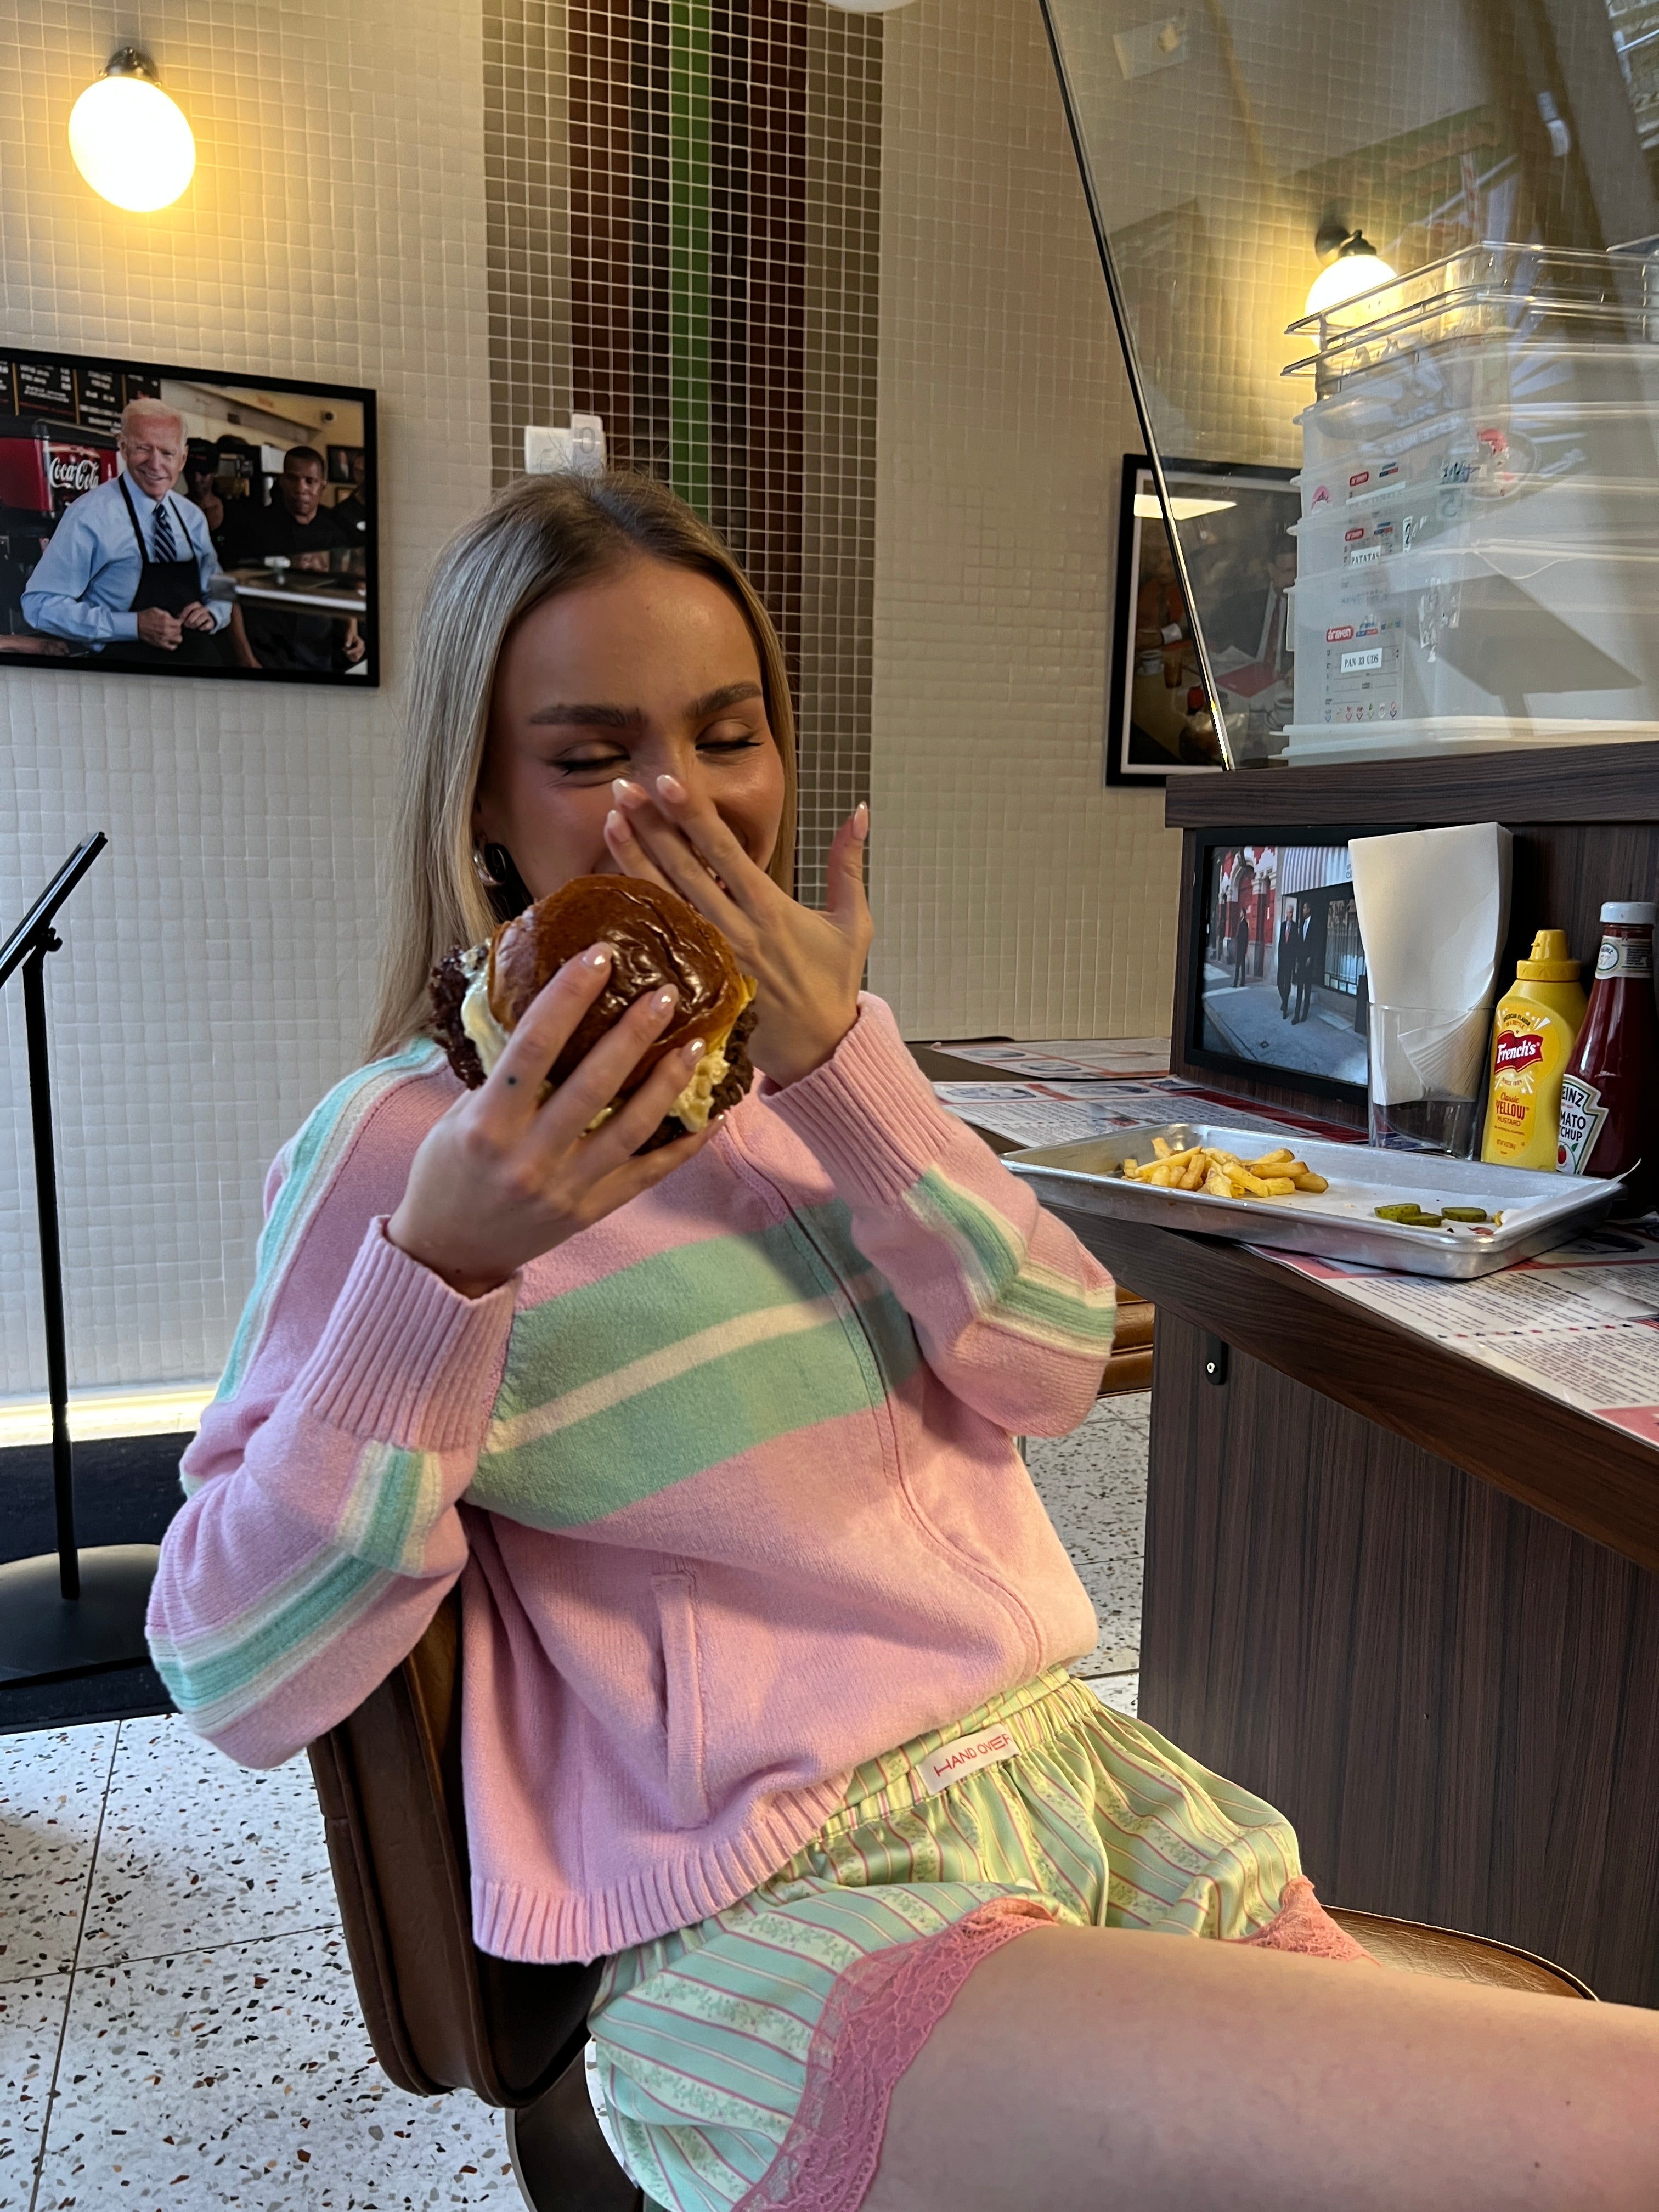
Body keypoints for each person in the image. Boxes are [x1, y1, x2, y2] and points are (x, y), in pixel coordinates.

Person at [145, 475, 1659, 2212]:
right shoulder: (405, 1152)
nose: (680, 804)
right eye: (592, 755)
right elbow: (234, 1671)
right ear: (483, 797)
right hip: (784, 1913)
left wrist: (848, 1075)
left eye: (729, 738)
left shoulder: (814, 1087)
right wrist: (447, 1271)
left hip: (1090, 1801)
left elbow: (1052, 1368)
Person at [20, 399, 233, 667]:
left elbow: (222, 585)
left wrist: (215, 613)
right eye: (143, 449)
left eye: (167, 453)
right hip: (125, 673)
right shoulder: (89, 515)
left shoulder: (192, 516)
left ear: (183, 458)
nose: (155, 464)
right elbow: (40, 604)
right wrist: (132, 625)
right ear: (123, 447)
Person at [221, 444, 365, 673]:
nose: (301, 489)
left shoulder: (336, 531)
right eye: (293, 479)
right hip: (266, 652)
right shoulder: (253, 527)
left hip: (317, 652)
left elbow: (346, 589)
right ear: (281, 481)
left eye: (310, 481)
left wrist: (352, 633)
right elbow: (229, 594)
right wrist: (245, 657)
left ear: (323, 485)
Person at [1232, 902, 1251, 990]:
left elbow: (1244, 937)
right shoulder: (1242, 923)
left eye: (1241, 913)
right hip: (1241, 948)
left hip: (1241, 948)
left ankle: (1236, 983)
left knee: (1238, 966)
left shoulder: (1244, 923)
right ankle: (1242, 982)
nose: (1240, 914)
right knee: (1242, 966)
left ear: (1243, 914)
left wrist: (1244, 949)